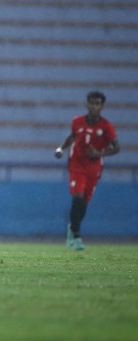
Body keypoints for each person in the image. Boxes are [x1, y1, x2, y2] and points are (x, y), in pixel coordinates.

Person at [54, 91, 120, 251]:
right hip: (77, 164)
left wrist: (99, 154)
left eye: (97, 103)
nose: (94, 106)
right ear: (87, 104)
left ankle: (72, 227)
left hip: (94, 167)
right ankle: (76, 236)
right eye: (91, 103)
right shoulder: (77, 121)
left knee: (83, 204)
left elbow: (116, 147)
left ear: (102, 106)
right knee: (77, 197)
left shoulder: (106, 126)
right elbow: (72, 136)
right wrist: (60, 148)